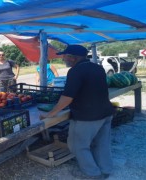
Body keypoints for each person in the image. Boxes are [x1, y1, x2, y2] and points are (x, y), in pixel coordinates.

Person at [39, 45, 114, 179]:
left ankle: (92, 174)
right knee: (102, 143)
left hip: (87, 116)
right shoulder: (98, 68)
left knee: (77, 145)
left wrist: (50, 114)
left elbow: (67, 98)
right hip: (106, 112)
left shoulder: (76, 71)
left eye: (65, 56)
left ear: (73, 57)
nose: (63, 59)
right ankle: (105, 169)